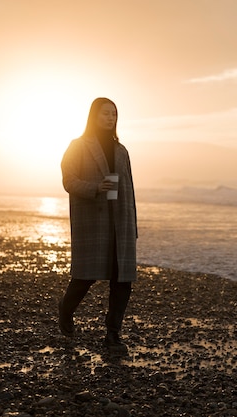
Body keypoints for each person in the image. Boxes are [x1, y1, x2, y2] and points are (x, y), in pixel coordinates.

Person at [58, 97, 138, 353]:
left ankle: (112, 335)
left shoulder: (121, 150)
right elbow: (68, 180)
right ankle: (66, 309)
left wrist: (132, 225)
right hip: (93, 221)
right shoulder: (78, 146)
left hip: (120, 222)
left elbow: (129, 190)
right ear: (94, 116)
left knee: (122, 281)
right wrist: (95, 188)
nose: (111, 117)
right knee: (85, 277)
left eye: (114, 113)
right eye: (105, 113)